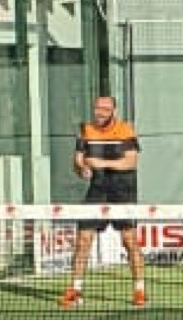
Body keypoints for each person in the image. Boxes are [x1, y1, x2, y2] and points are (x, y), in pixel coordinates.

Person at [61, 93, 147, 308]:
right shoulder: (85, 130)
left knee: (129, 240)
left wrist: (100, 163)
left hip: (123, 191)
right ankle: (75, 291)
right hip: (97, 190)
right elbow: (78, 162)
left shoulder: (126, 130)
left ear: (113, 111)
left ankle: (139, 290)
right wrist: (82, 169)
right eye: (97, 108)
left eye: (105, 109)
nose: (100, 113)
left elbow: (130, 162)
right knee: (83, 239)